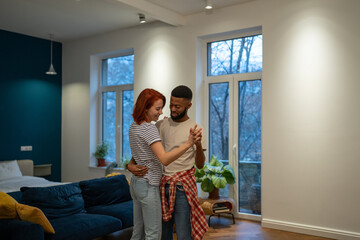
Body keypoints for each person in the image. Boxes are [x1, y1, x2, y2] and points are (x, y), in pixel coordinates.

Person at [127, 85, 209, 240]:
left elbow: (199, 165)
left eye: (177, 106)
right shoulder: (159, 125)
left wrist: (197, 144)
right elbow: (146, 151)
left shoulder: (196, 129)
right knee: (163, 234)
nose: (172, 109)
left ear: (188, 105)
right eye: (171, 105)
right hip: (159, 185)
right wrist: (130, 165)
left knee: (184, 233)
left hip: (181, 188)